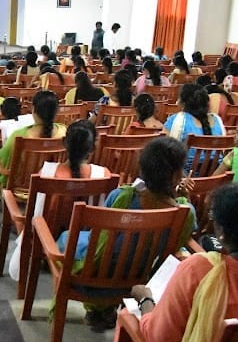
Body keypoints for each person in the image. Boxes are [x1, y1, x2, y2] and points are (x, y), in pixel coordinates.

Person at [58, 136, 196, 330]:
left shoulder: (121, 196)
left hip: (94, 278)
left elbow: (99, 239)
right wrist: (183, 197)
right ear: (175, 176)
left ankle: (99, 309)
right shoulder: (185, 213)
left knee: (67, 239)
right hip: (141, 279)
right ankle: (105, 310)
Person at [126, 182, 238, 342]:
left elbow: (157, 340)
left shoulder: (202, 270)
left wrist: (146, 299)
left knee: (128, 325)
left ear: (222, 233)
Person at [6, 119, 112, 281]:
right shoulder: (104, 175)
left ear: (64, 143)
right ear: (93, 148)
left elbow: (34, 213)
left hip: (46, 242)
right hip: (83, 247)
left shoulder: (47, 172)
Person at [0, 91, 68, 208]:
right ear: (56, 112)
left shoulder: (19, 136)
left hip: (19, 189)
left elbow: (2, 162)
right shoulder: (64, 132)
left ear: (33, 110)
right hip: (50, 187)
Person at [164, 84, 225, 170]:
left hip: (187, 179)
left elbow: (164, 152)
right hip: (217, 177)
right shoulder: (217, 121)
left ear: (183, 103)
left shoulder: (176, 120)